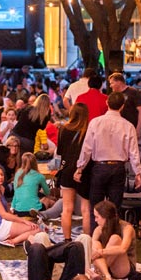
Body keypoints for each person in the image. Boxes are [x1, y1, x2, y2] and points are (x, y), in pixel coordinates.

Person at [76, 91, 141, 228]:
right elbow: (134, 152)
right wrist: (138, 173)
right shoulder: (128, 126)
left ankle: (96, 240)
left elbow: (86, 148)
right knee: (114, 208)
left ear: (107, 103)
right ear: (122, 106)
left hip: (99, 167)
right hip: (118, 168)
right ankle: (112, 237)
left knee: (95, 208)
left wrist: (80, 168)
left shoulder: (95, 122)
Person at [53, 103, 91, 240]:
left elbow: (60, 152)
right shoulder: (88, 130)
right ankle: (87, 240)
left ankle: (67, 239)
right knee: (86, 209)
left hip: (67, 170)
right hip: (84, 172)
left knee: (67, 208)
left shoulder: (64, 129)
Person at [0, 165, 38, 245]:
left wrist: (17, 219)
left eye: (2, 175)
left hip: (0, 224)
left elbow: (6, 210)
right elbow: (3, 214)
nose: (0, 177)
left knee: (34, 227)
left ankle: (14, 238)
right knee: (36, 229)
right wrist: (23, 221)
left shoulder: (0, 188)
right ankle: (13, 241)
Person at [90, 200, 137, 280]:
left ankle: (103, 275)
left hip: (122, 267)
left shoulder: (127, 228)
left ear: (105, 217)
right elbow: (92, 249)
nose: (95, 220)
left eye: (97, 217)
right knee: (95, 243)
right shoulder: (99, 229)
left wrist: (101, 252)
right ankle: (107, 276)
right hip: (105, 267)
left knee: (115, 239)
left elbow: (123, 249)